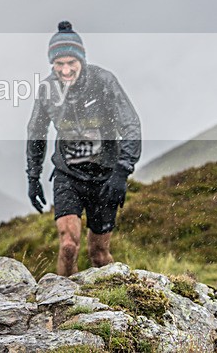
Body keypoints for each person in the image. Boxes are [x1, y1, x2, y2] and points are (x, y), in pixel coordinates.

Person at [26, 21, 141, 277]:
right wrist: (33, 177)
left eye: (71, 62)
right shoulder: (47, 90)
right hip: (68, 175)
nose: (66, 70)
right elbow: (36, 134)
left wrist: (122, 172)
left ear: (82, 60)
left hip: (105, 176)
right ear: (52, 64)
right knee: (68, 246)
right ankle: (63, 299)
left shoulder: (104, 81)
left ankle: (113, 296)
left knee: (98, 254)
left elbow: (131, 125)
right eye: (59, 64)